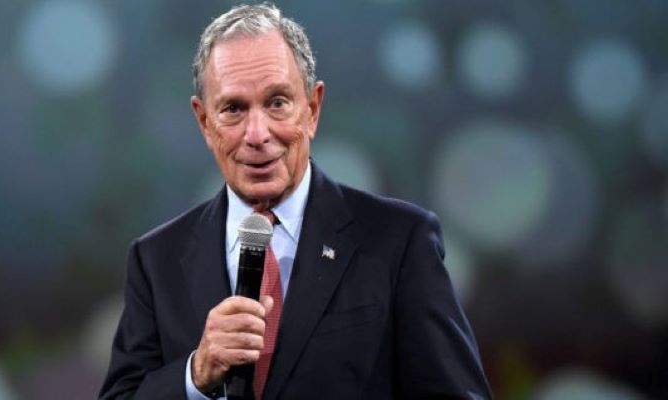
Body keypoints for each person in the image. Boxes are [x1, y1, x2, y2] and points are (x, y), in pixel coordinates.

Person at [99, 3, 492, 399]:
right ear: (204, 121)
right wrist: (196, 374)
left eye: (277, 103)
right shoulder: (157, 260)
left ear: (312, 109)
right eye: (233, 108)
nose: (257, 134)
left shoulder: (399, 242)